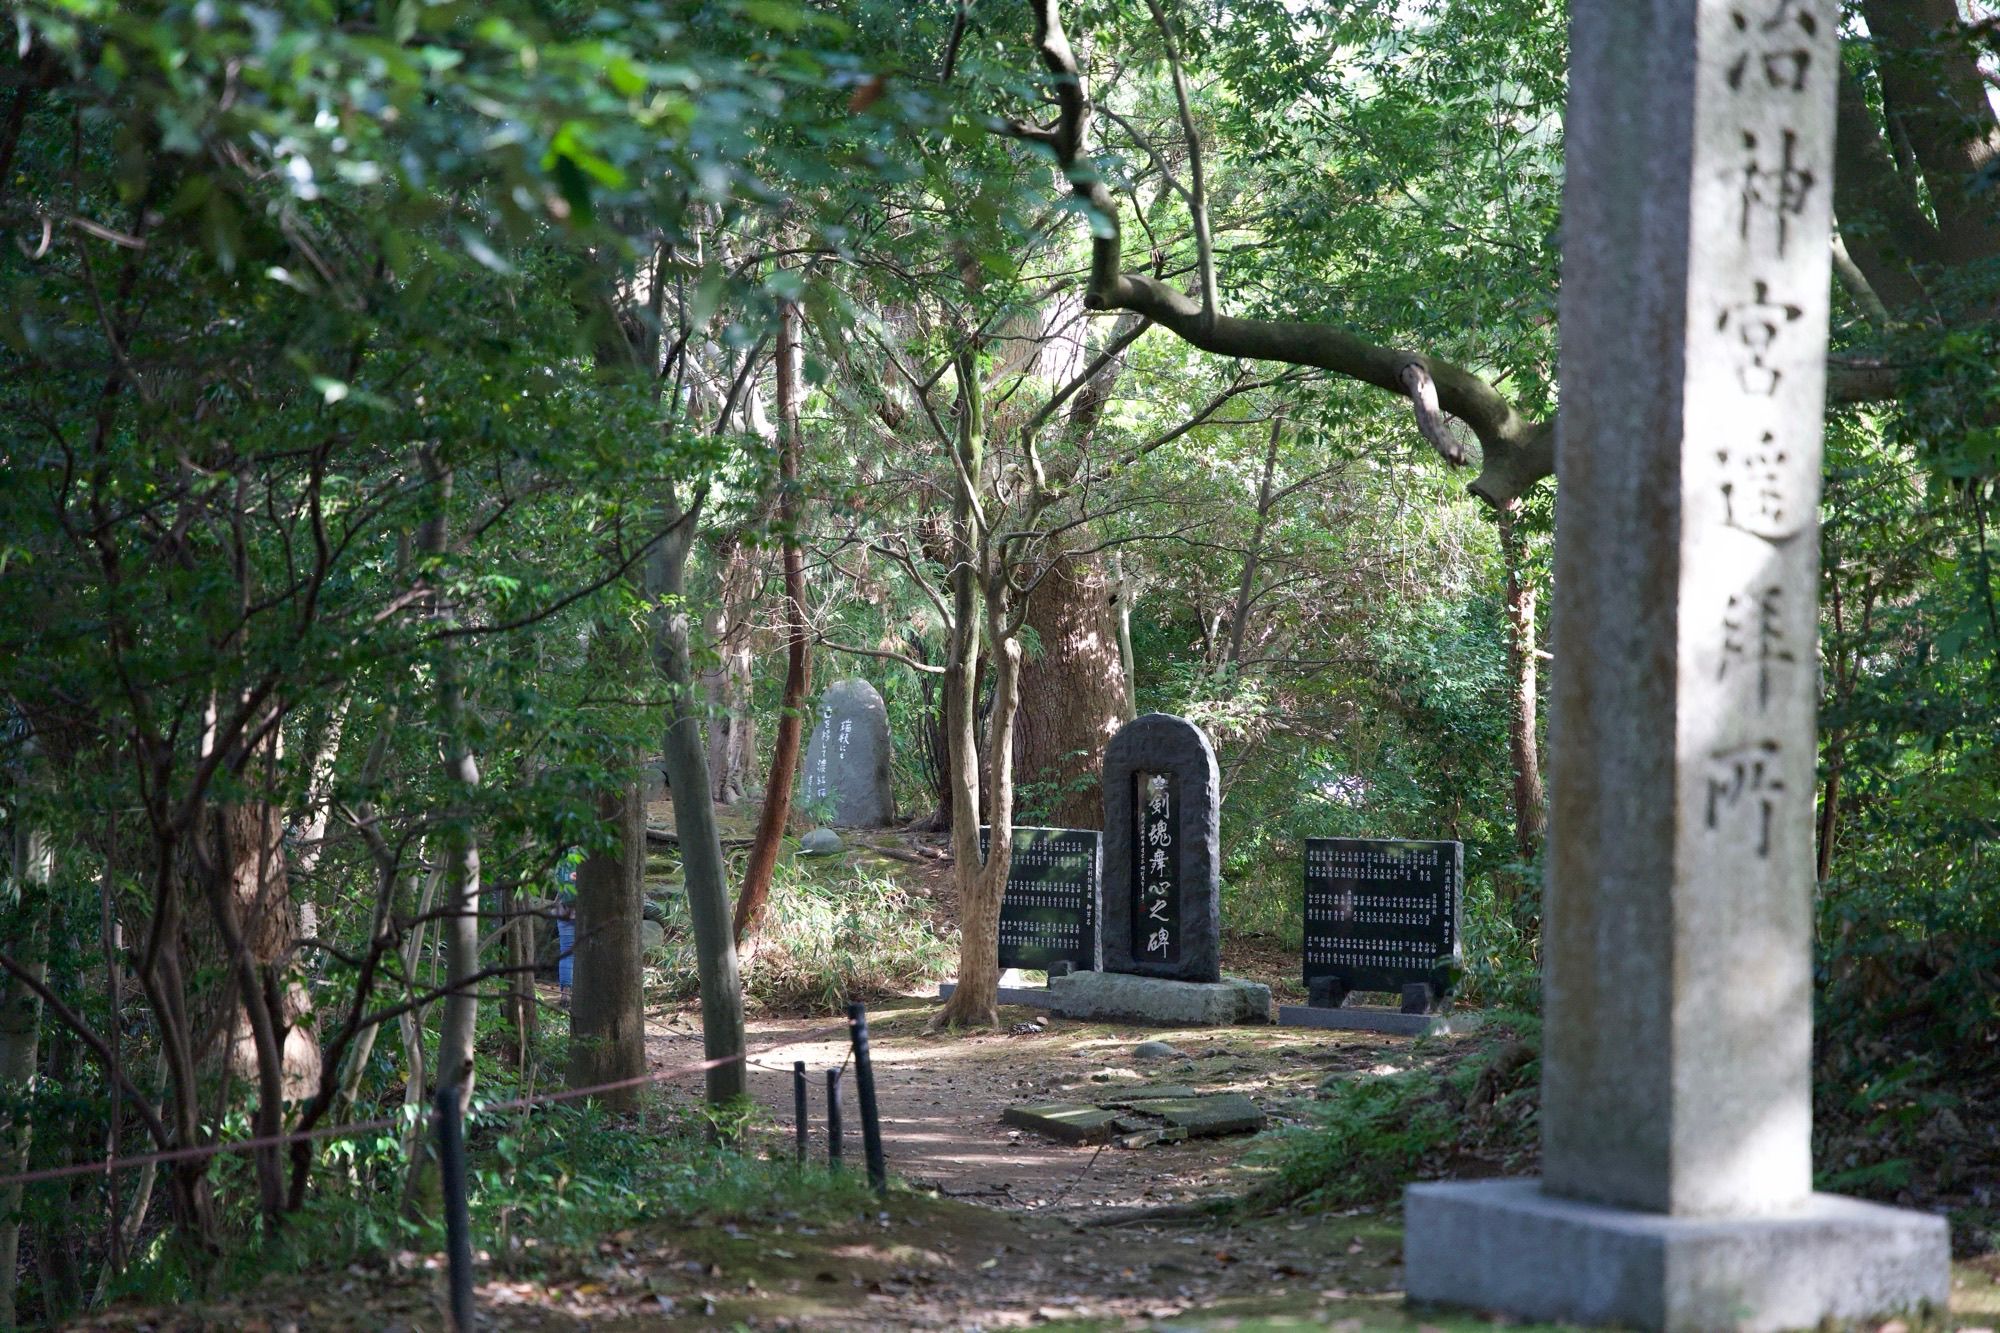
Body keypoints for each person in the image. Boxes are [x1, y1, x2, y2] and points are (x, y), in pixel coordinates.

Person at [552, 847, 583, 994]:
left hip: (563, 910)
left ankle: (565, 992)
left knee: (566, 951)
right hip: (585, 911)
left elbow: (557, 883)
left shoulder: (563, 858)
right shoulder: (588, 856)